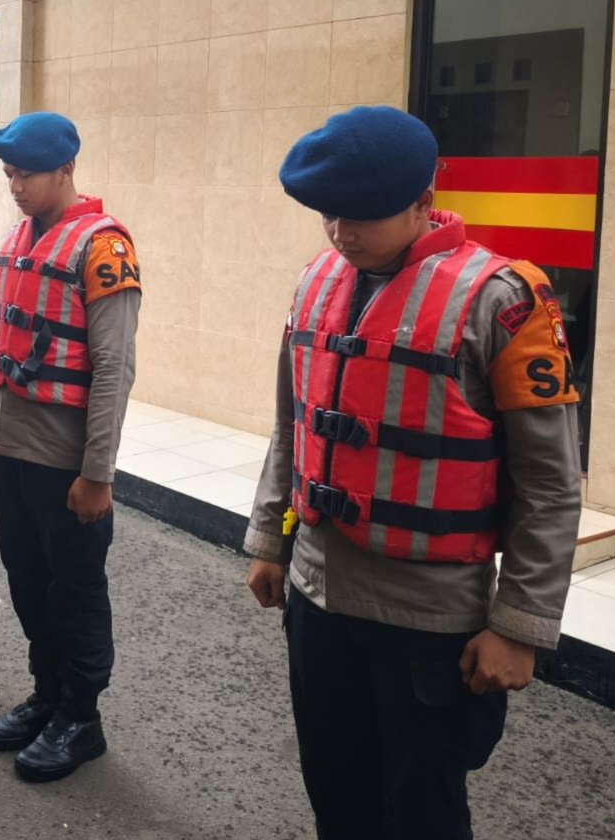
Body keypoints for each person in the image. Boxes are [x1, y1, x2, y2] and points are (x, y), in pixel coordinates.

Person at [244, 105, 583, 840]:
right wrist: (271, 540)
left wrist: (519, 626)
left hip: (429, 621)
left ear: (424, 201)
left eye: (362, 215)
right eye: (329, 214)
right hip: (318, 596)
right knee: (336, 793)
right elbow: (292, 424)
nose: (342, 233)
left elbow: (552, 484)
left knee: (424, 811)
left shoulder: (504, 301)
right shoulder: (315, 283)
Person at [0, 111, 141, 783]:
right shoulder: (18, 238)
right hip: (15, 452)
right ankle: (46, 695)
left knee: (74, 592)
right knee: (27, 581)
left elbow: (113, 370)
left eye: (27, 175)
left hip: (66, 462)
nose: (15, 187)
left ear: (66, 169)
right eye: (10, 174)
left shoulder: (102, 247)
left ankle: (80, 716)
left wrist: (97, 473)